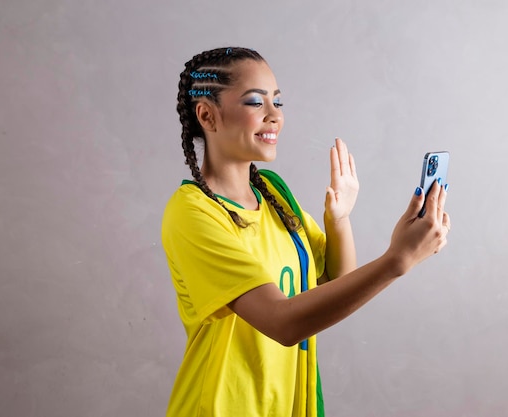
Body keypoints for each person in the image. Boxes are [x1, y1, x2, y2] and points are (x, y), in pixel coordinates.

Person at [161, 46, 451, 417]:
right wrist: (398, 260)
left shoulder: (274, 194)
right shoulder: (192, 213)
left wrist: (339, 220)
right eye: (255, 102)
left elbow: (337, 284)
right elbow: (284, 321)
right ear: (207, 115)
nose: (274, 117)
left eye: (278, 103)